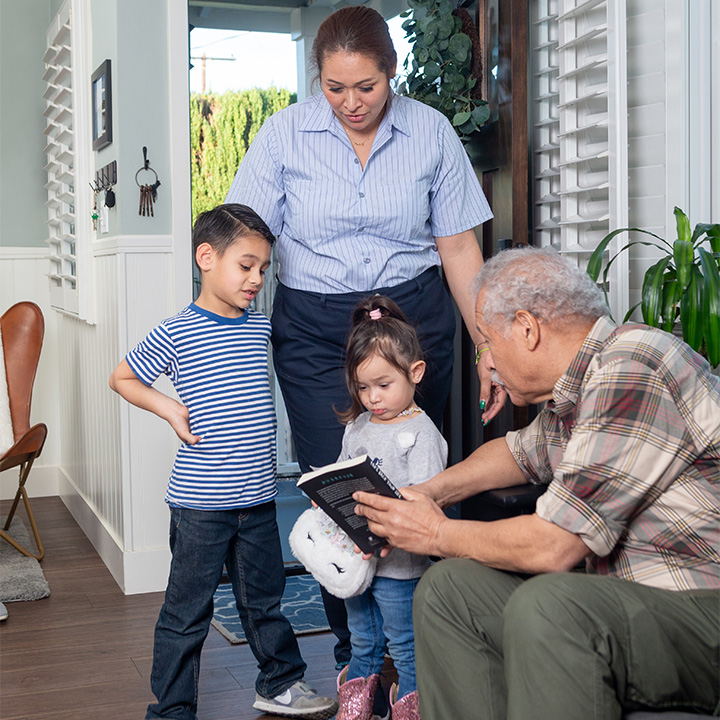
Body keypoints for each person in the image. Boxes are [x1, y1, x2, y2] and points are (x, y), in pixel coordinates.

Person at [225, 4, 497, 670]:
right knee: (342, 489)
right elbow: (244, 242)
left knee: (417, 485)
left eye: (366, 87)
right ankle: (359, 658)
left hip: (413, 325)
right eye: (335, 86)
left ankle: (427, 652)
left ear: (392, 73)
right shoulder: (283, 136)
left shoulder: (430, 133)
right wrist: (220, 337)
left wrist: (490, 343)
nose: (350, 102)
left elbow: (458, 246)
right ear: (318, 77)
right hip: (318, 332)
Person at [353, 246, 720, 720]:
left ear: (526, 329)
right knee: (449, 591)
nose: (485, 360)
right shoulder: (578, 391)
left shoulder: (634, 364)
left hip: (700, 609)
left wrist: (434, 532)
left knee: (549, 604)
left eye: (486, 341)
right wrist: (425, 494)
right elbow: (515, 452)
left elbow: (555, 547)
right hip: (628, 606)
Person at [108, 204, 338, 720]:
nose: (257, 278)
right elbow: (122, 377)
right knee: (187, 612)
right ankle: (172, 709)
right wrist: (168, 407)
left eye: (263, 269)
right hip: (200, 506)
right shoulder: (178, 330)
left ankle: (279, 683)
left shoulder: (259, 329)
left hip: (257, 500)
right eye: (246, 265)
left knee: (264, 602)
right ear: (206, 258)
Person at [327, 296, 447, 720]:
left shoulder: (421, 433)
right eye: (362, 387)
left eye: (383, 385)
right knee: (362, 641)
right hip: (359, 563)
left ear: (414, 373)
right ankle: (356, 710)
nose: (372, 397)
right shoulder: (359, 425)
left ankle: (409, 712)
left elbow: (425, 499)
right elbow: (342, 480)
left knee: (406, 646)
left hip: (399, 567)